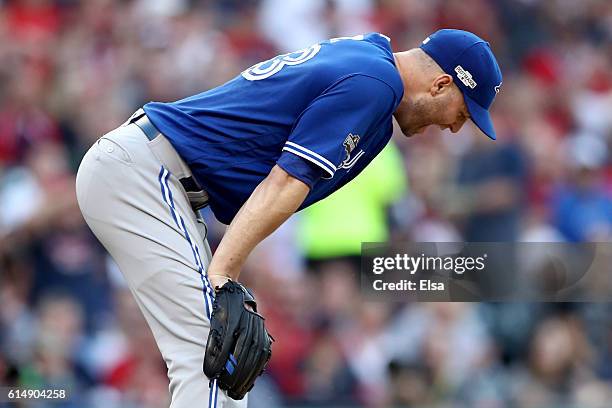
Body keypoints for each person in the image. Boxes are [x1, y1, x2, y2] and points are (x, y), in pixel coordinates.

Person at [75, 29, 502, 407]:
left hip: (153, 174)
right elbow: (285, 182)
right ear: (442, 83)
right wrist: (223, 272)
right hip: (146, 173)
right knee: (212, 356)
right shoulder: (376, 83)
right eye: (462, 113)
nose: (455, 128)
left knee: (223, 363)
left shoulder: (368, 58)